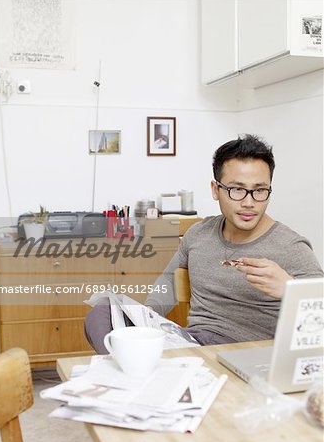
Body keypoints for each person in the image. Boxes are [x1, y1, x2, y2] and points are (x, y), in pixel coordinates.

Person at [85, 134, 323, 352]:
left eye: (259, 191)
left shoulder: (290, 246)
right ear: (215, 190)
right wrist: (149, 312)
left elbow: (318, 312)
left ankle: (133, 369)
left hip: (246, 352)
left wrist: (290, 288)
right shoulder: (198, 234)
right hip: (193, 343)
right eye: (237, 190)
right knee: (103, 312)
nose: (250, 202)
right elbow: (169, 278)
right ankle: (133, 365)